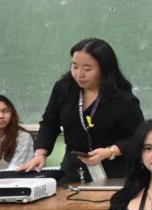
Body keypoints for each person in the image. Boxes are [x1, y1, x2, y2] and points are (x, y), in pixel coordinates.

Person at [23, 38, 143, 180]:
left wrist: (109, 152)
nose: (79, 74)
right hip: (73, 171)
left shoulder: (123, 100)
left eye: (87, 69)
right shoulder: (63, 89)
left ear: (104, 68)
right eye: (74, 67)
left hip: (114, 173)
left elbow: (138, 137)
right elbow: (49, 123)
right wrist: (40, 153)